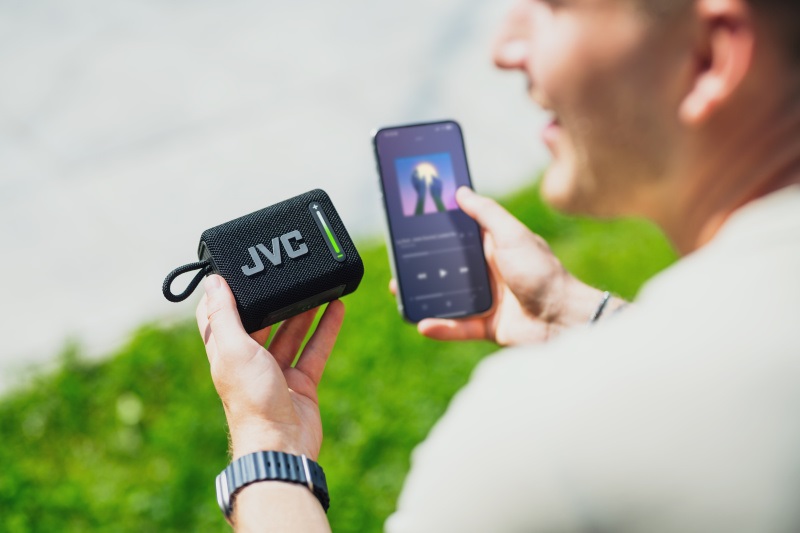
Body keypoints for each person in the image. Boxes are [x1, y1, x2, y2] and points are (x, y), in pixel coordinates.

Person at [196, 0, 800, 530]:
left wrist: (267, 444)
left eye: (555, 5)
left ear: (709, 55)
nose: (503, 48)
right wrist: (578, 315)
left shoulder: (540, 437)